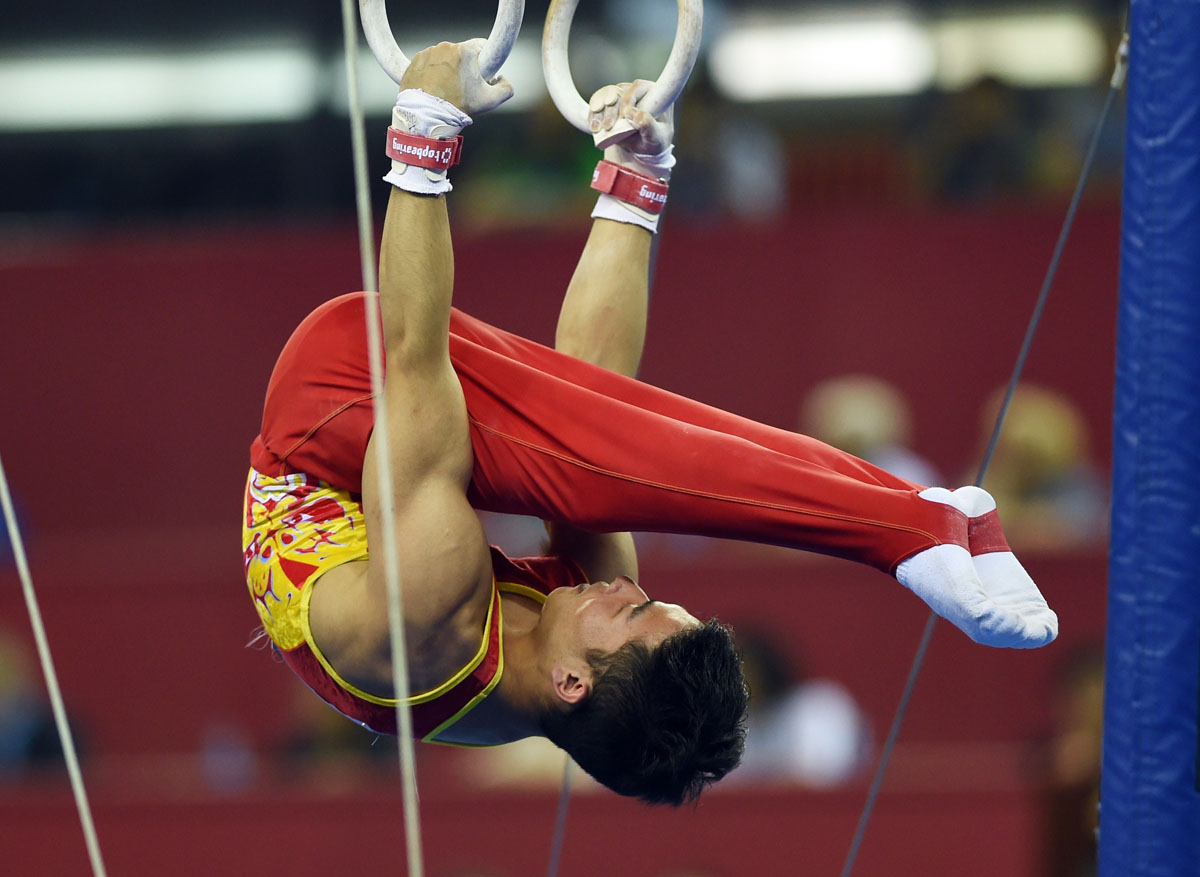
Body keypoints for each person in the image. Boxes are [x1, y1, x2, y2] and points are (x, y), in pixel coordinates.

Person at [242, 41, 1058, 807]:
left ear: (572, 682)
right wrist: (636, 180)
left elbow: (411, 357)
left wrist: (422, 134)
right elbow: (591, 395)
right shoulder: (576, 646)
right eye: (651, 599)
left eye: (632, 612)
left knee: (605, 477)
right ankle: (918, 522)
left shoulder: (431, 620)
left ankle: (902, 527)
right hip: (385, 436)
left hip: (332, 402)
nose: (630, 587)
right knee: (604, 483)